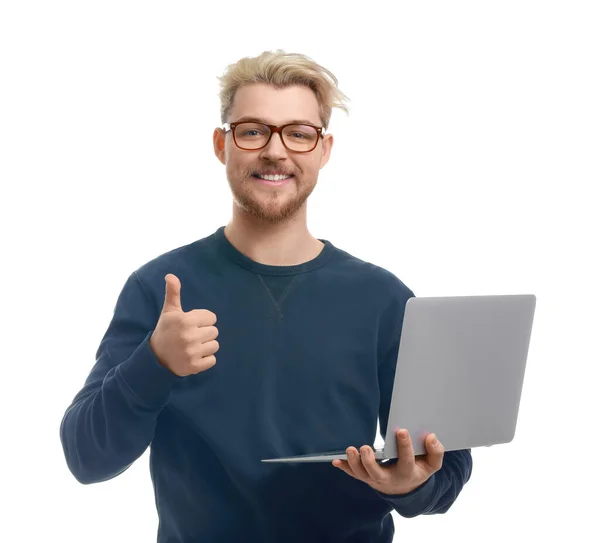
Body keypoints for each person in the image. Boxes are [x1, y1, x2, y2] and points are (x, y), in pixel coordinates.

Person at [60, 49, 473, 542]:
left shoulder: (384, 298)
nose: (275, 152)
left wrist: (410, 486)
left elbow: (449, 467)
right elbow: (86, 458)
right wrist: (154, 362)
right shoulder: (160, 288)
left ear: (323, 150)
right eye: (253, 131)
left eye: (298, 133)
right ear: (222, 144)